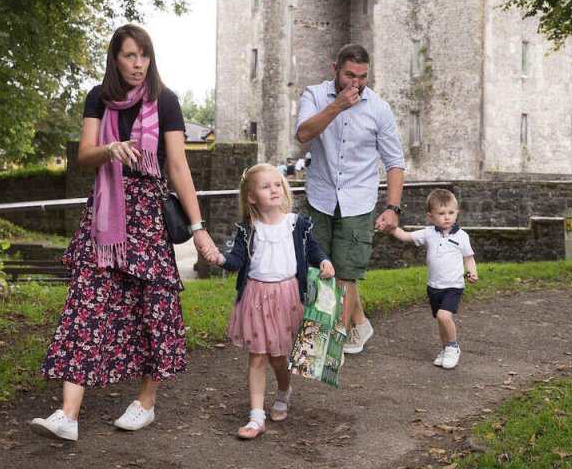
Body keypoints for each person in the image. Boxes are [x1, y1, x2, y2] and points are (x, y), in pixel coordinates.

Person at [29, 24, 218, 442]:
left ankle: (145, 404)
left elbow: (177, 166)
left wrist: (199, 228)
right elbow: (84, 155)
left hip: (148, 216)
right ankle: (67, 415)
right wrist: (109, 150)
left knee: (156, 308)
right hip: (105, 214)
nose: (138, 64)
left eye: (144, 55)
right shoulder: (98, 97)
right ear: (115, 59)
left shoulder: (165, 100)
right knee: (86, 304)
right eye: (130, 55)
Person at [204, 163, 334, 439]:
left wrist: (324, 261)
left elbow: (313, 250)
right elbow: (236, 261)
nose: (274, 190)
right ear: (252, 197)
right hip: (256, 298)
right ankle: (256, 417)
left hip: (288, 297)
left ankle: (284, 391)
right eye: (266, 186)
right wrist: (220, 259)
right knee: (258, 356)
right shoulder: (247, 229)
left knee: (278, 358)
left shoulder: (298, 224)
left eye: (277, 184)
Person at [295, 43, 406, 355]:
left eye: (363, 77)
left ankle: (329, 347)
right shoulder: (314, 95)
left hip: (359, 200)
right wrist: (337, 106)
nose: (356, 83)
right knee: (320, 272)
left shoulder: (379, 109)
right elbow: (303, 134)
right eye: (349, 75)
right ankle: (359, 323)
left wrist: (392, 208)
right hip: (320, 197)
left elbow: (395, 162)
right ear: (335, 69)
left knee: (346, 273)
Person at [386, 189, 479, 369]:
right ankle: (445, 348)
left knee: (444, 316)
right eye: (441, 213)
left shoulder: (462, 236)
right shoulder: (428, 233)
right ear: (430, 216)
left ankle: (453, 347)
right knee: (440, 320)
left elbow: (469, 258)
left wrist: (472, 272)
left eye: (451, 213)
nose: (447, 217)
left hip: (453, 286)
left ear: (457, 213)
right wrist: (391, 228)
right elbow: (406, 236)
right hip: (434, 287)